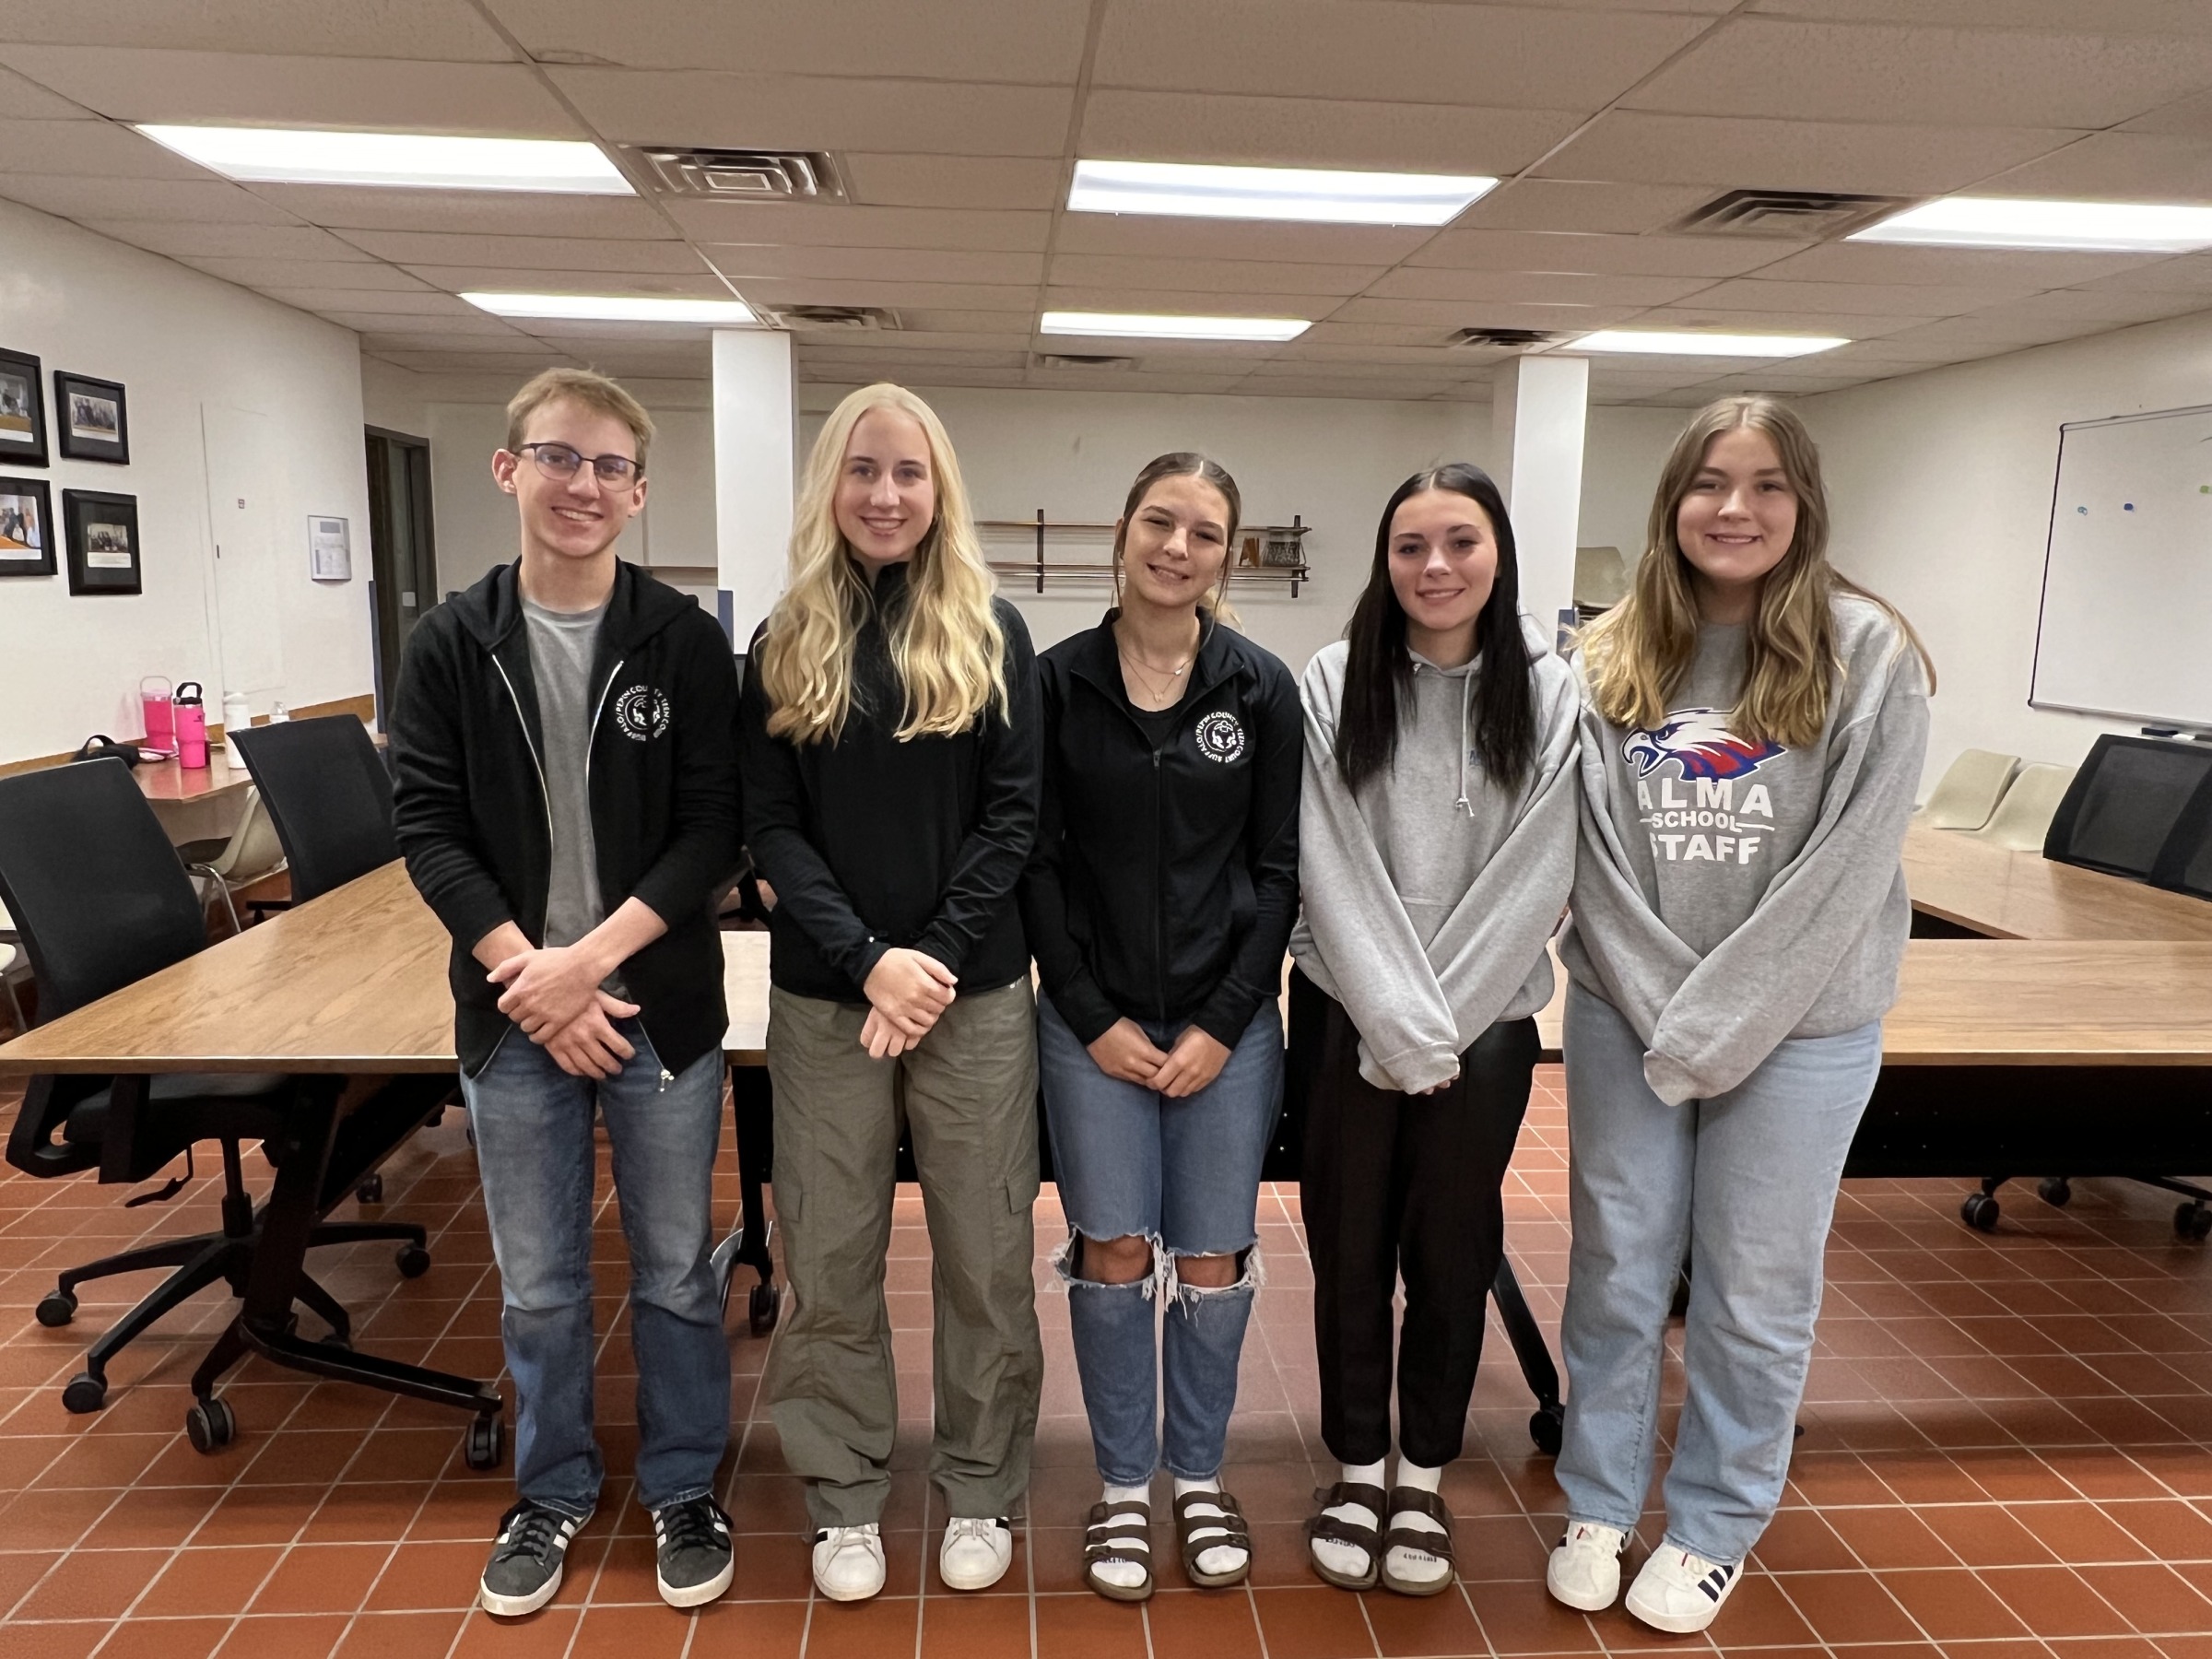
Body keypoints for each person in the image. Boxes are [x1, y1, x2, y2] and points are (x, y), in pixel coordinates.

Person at [1546, 395, 1932, 1635]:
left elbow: (1849, 868)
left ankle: (1713, 1523)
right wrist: (1671, 1009)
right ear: (1672, 502)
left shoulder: (1868, 652)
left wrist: (1721, 1020)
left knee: (1754, 1291)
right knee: (1617, 1266)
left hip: (1804, 1027)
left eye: (1767, 485)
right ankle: (1599, 1500)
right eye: (1711, 482)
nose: (1736, 508)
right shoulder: (1604, 654)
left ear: (1803, 505)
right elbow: (1590, 851)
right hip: (1628, 1011)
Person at [390, 368, 744, 1618]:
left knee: (674, 1272)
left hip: (656, 1012)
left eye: (607, 467)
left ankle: (686, 1484)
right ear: (509, 471)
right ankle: (551, 1489)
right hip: (511, 1019)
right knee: (540, 1280)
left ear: (638, 493)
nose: (582, 485)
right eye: (559, 457)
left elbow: (714, 832)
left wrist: (583, 967)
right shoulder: (450, 642)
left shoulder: (684, 643)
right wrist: (524, 977)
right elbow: (428, 829)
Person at [738, 382, 1043, 1604]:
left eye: (908, 473)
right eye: (863, 470)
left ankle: (981, 1484)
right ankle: (846, 1494)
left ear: (939, 488)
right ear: (831, 484)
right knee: (830, 1250)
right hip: (828, 999)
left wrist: (928, 961)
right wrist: (869, 957)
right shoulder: (781, 638)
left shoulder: (992, 629)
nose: (885, 494)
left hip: (971, 1002)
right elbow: (770, 827)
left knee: (984, 1254)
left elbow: (1015, 814)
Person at [1289, 464, 1578, 1596]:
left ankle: (1423, 1472)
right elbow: (1330, 861)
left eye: (1461, 542)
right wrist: (1397, 1021)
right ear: (1385, 560)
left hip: (1488, 1020)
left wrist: (1438, 1026)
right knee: (1347, 1246)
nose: (1437, 567)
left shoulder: (1553, 693)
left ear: (1498, 553)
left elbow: (1541, 867)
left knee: (1450, 1252)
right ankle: (1358, 1466)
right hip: (1345, 1007)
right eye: (1412, 546)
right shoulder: (1332, 677)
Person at [1019, 453, 1300, 1602]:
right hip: (1093, 1031)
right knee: (1115, 1250)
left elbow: (1279, 873)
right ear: (1121, 533)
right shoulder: (1051, 686)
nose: (1177, 548)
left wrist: (1227, 1022)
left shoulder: (1260, 688)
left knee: (1210, 1256)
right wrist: (1090, 1018)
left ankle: (1198, 1475)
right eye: (1159, 522)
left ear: (1227, 557)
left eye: (1204, 533)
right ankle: (1124, 1485)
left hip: (1227, 1032)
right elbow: (1033, 865)